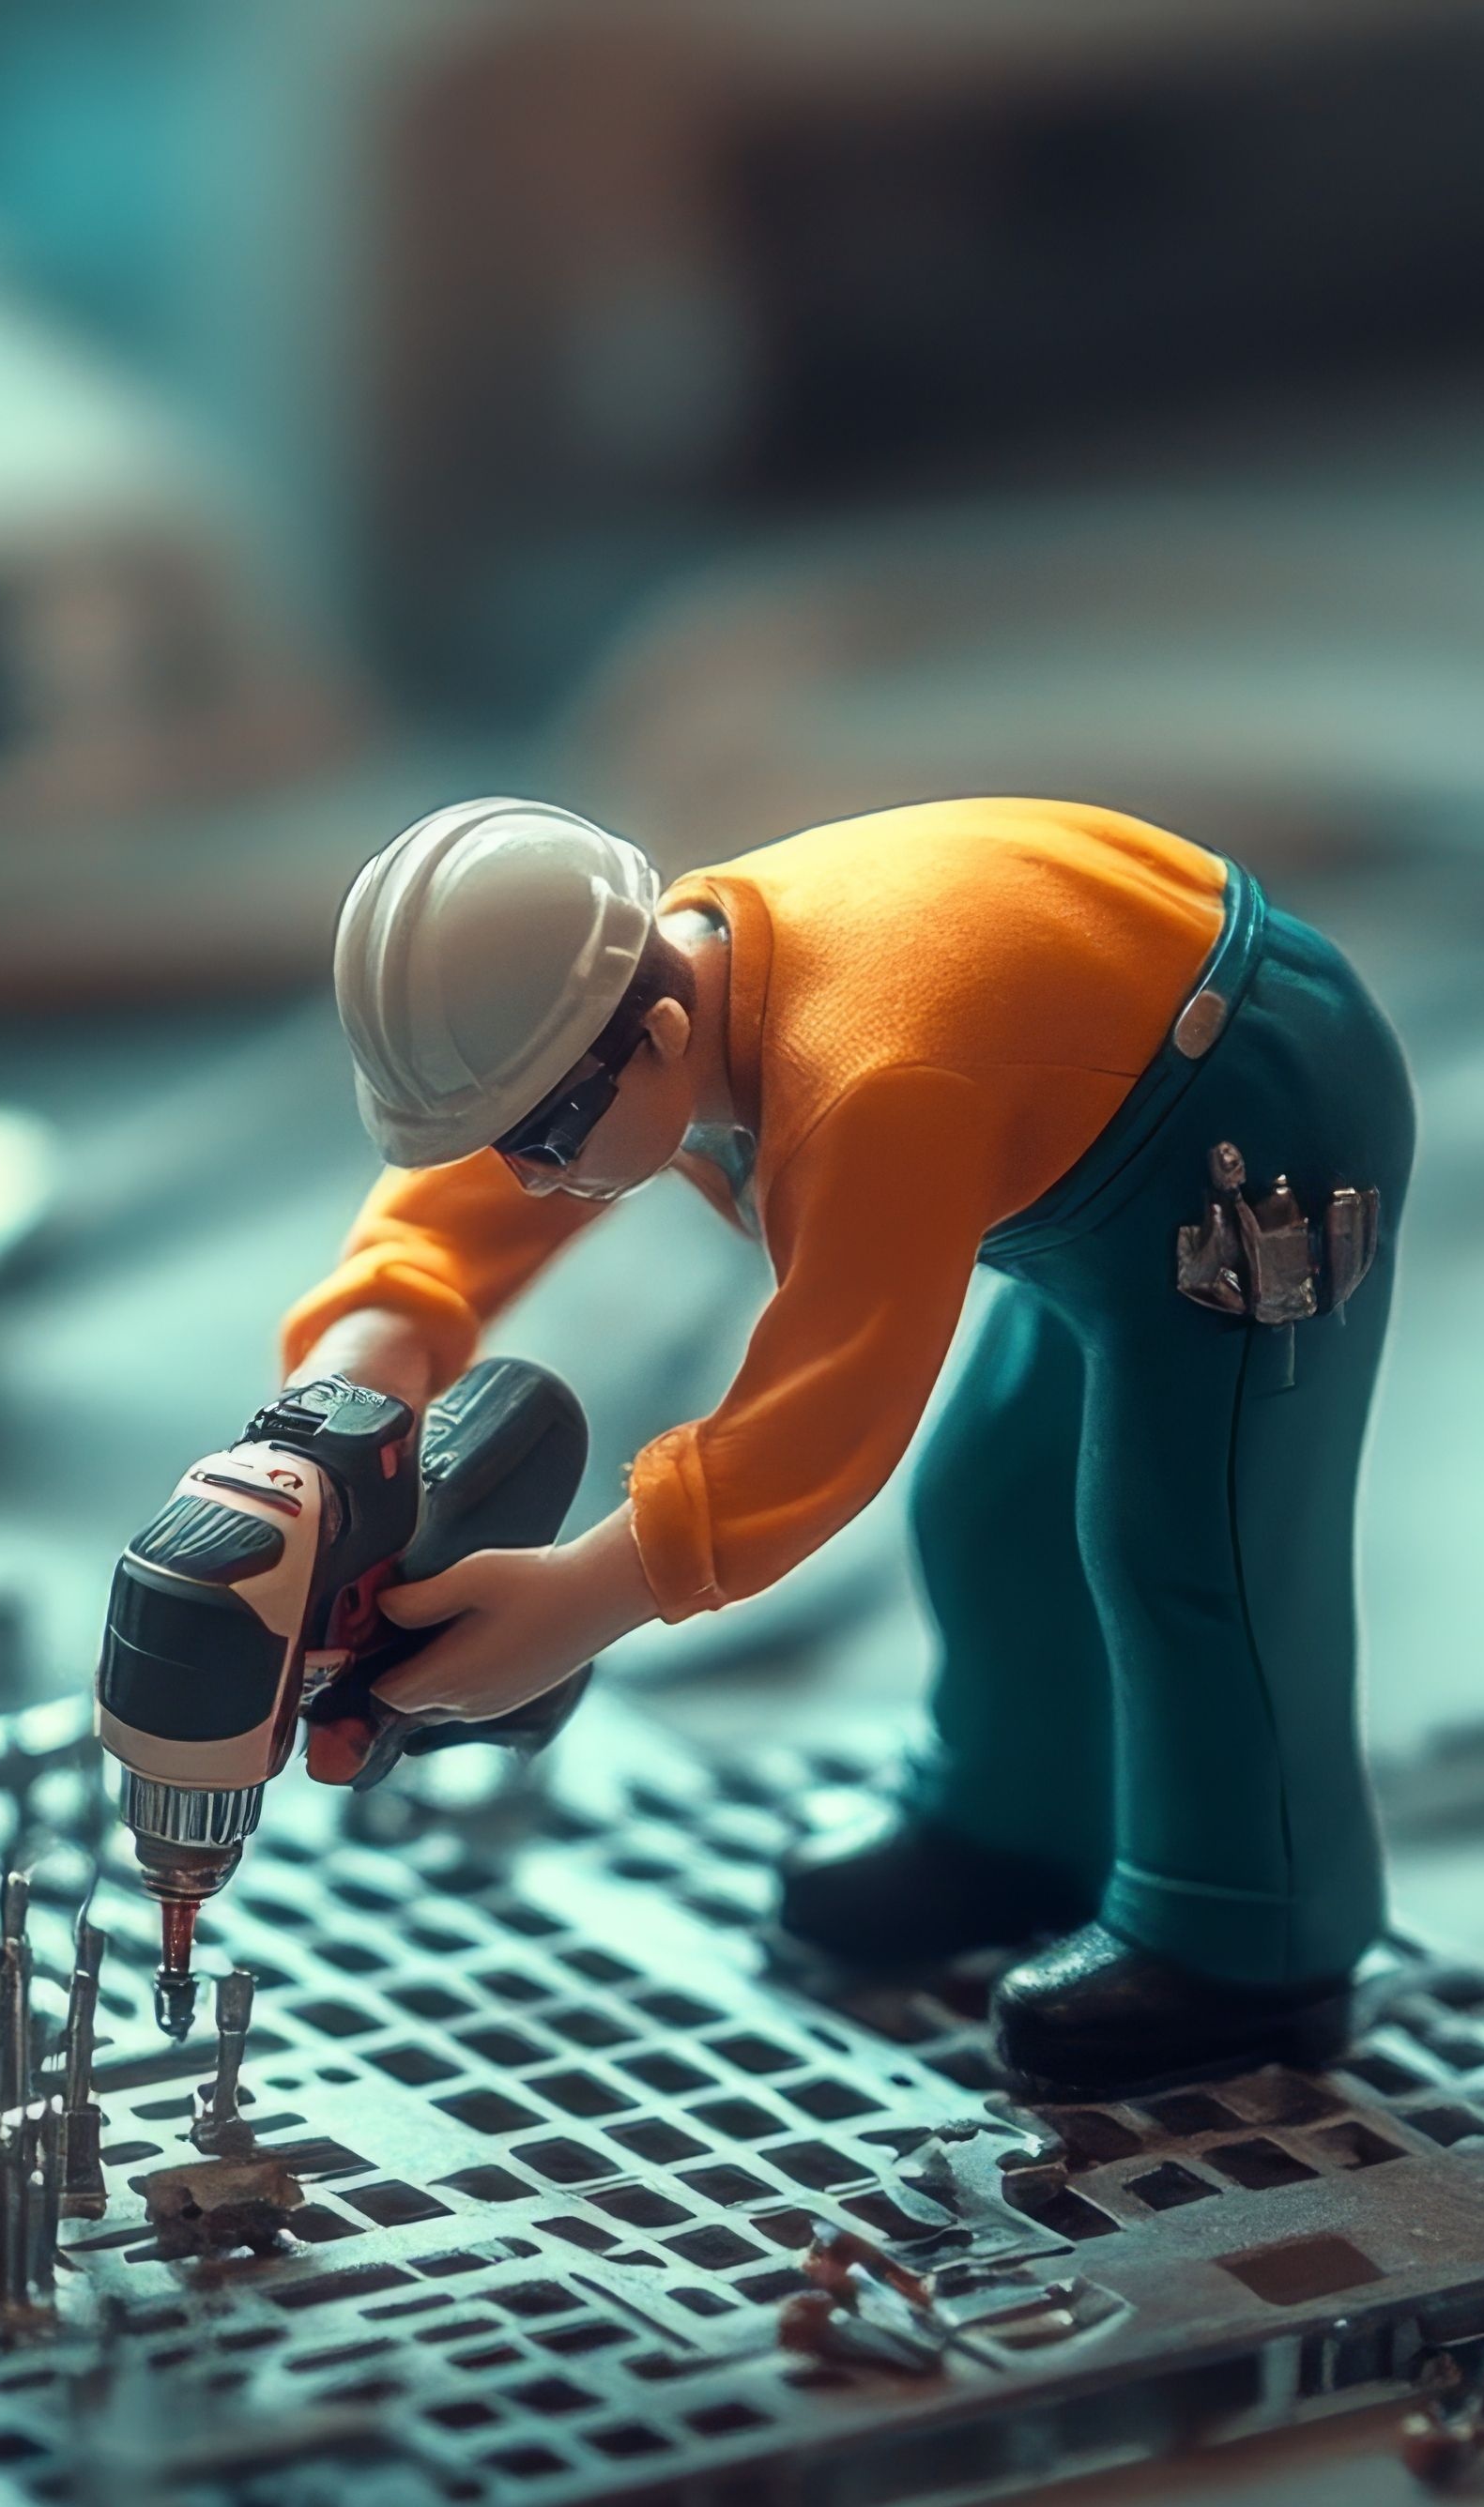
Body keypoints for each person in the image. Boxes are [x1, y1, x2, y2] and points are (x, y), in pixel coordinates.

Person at [291, 793, 1415, 2098]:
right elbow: (494, 1166)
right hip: (1095, 1105)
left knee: (1195, 1540)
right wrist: (380, 1324)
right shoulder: (666, 995)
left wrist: (587, 1598)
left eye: (543, 1143)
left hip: (1239, 1116)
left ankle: (1249, 1940)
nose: (530, 1179)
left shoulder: (870, 1080)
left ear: (657, 1034)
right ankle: (1019, 1821)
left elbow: (830, 1407)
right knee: (996, 1501)